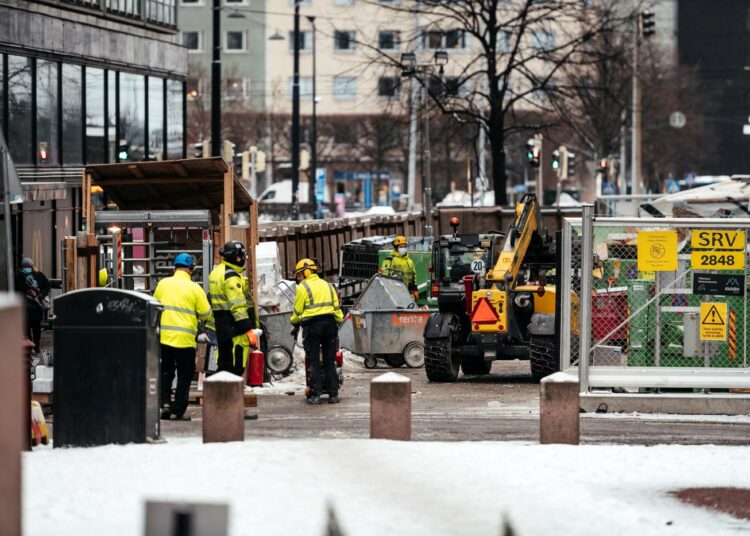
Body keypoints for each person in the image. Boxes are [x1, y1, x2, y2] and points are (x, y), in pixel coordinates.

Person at [153, 253, 212, 421]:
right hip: (185, 342)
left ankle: (164, 406)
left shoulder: (163, 284)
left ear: (175, 267)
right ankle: (177, 411)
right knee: (184, 377)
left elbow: (154, 306)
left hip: (164, 339)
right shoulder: (195, 289)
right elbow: (206, 314)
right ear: (191, 270)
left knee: (166, 373)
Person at [290, 258, 343, 405]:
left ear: (306, 272)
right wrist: (338, 320)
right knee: (329, 360)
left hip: (312, 327)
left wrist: (293, 321)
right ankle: (333, 394)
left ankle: (316, 394)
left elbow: (298, 311)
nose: (298, 278)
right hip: (330, 325)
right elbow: (336, 309)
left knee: (313, 361)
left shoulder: (302, 287)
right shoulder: (328, 286)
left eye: (299, 274)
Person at [208, 241, 259, 378]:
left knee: (224, 361)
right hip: (233, 326)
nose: (243, 259)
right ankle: (229, 396)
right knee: (235, 365)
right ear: (236, 257)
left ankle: (222, 393)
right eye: (242, 256)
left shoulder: (216, 272)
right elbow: (237, 306)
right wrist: (248, 328)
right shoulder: (231, 276)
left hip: (221, 324)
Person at [15, 258, 50, 353]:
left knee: (36, 328)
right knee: (26, 328)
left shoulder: (39, 275)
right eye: (24, 266)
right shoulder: (18, 277)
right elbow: (15, 290)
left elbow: (47, 285)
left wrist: (41, 295)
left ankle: (37, 346)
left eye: (28, 266)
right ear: (22, 267)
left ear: (32, 266)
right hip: (24, 307)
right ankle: (30, 346)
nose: (26, 268)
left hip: (36, 307)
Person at [380, 236, 418, 300]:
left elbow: (413, 276)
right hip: (394, 293)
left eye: (404, 246)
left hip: (407, 292)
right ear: (396, 248)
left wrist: (415, 290)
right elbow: (385, 277)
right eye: (401, 247)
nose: (403, 248)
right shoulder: (389, 259)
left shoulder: (409, 261)